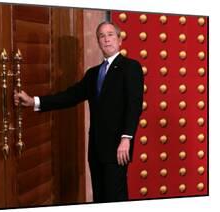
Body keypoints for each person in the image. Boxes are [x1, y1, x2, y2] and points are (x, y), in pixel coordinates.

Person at [14, 21, 144, 203]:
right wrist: (34, 101)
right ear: (98, 42)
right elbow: (70, 96)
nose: (106, 40)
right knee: (100, 198)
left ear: (119, 40)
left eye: (110, 35)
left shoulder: (131, 67)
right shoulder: (93, 73)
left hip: (117, 148)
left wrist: (126, 138)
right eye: (102, 36)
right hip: (96, 149)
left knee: (116, 198)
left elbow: (134, 105)